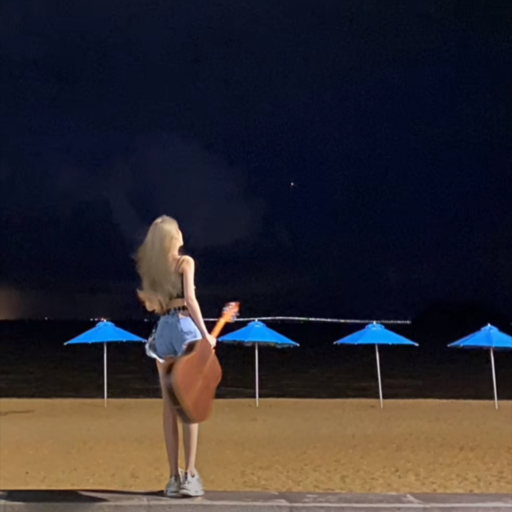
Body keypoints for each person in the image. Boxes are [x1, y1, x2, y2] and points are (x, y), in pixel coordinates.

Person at [135, 215, 216, 497]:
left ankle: (172, 478)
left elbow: (154, 306)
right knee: (189, 402)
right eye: (178, 230)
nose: (182, 233)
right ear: (172, 238)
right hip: (184, 327)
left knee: (170, 405)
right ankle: (190, 475)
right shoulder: (185, 262)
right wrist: (206, 335)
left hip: (164, 330)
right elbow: (191, 301)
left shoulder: (156, 271)